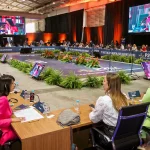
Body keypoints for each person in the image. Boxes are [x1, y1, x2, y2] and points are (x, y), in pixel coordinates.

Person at [89, 73, 128, 137]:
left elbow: (94, 119)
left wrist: (93, 111)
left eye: (104, 81)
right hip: (123, 134)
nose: (102, 83)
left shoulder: (103, 100)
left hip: (110, 136)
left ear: (110, 84)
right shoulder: (124, 97)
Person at [0, 74, 24, 145]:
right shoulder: (3, 99)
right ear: (6, 85)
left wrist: (11, 110)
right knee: (24, 132)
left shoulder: (2, 96)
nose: (14, 85)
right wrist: (12, 119)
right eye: (12, 83)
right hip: (3, 133)